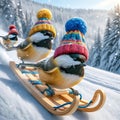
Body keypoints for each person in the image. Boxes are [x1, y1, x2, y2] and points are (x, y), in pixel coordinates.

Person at [31, 17, 89, 89]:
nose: (81, 63)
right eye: (77, 59)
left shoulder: (80, 72)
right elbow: (43, 66)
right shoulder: (55, 65)